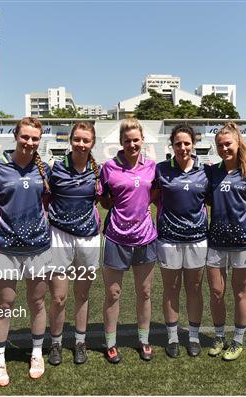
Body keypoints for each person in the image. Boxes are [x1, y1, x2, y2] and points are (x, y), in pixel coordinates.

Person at [0, 117, 52, 385]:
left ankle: (36, 353)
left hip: (38, 248)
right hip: (4, 249)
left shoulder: (44, 170)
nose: (29, 142)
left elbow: (48, 204)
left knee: (37, 302)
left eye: (34, 138)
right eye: (25, 137)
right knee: (4, 303)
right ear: (16, 136)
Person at [206, 122, 246, 361]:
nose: (224, 149)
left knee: (240, 293)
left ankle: (238, 340)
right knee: (216, 292)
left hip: (245, 244)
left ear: (238, 143)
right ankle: (220, 336)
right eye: (220, 145)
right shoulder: (212, 172)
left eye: (228, 144)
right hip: (216, 242)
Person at [99, 118, 157, 363]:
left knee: (144, 292)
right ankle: (111, 343)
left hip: (145, 237)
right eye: (127, 141)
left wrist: (142, 210)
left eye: (136, 140)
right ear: (120, 142)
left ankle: (144, 339)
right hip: (116, 237)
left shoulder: (153, 166)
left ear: (142, 140)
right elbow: (103, 200)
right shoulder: (109, 167)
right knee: (113, 293)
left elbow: (155, 193)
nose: (132, 144)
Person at [46, 122, 102, 365]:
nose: (81, 144)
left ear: (92, 143)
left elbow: (106, 199)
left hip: (88, 237)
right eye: (77, 139)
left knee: (82, 293)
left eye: (86, 140)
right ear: (70, 140)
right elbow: (43, 199)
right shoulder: (55, 169)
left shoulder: (99, 172)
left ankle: (80, 341)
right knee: (59, 297)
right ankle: (55, 343)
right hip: (59, 236)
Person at [153, 124, 210, 358]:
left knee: (194, 289)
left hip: (197, 239)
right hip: (169, 239)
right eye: (178, 143)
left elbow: (209, 200)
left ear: (193, 144)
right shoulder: (161, 169)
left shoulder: (206, 172)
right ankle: (173, 336)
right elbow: (155, 198)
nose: (183, 148)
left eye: (187, 143)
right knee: (171, 289)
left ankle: (194, 336)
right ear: (172, 145)